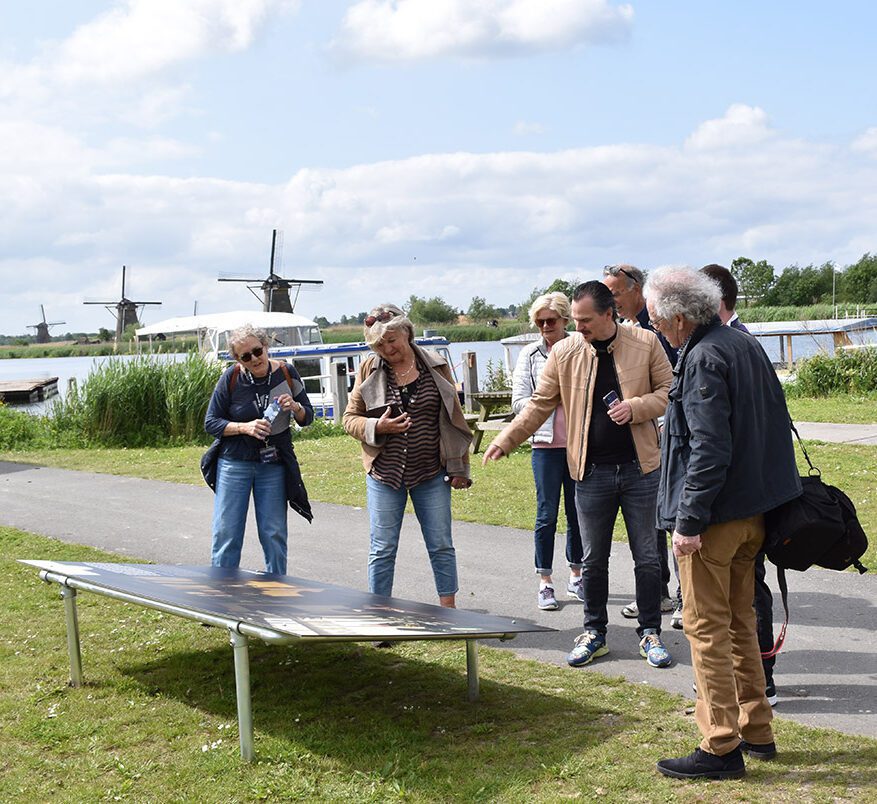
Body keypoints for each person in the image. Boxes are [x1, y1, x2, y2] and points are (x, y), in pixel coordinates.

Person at [644, 267, 801, 780]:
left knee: (706, 629)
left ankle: (719, 745)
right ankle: (756, 729)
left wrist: (689, 520)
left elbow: (708, 448)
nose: (656, 327)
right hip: (749, 513)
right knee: (737, 623)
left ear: (680, 317)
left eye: (657, 319)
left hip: (714, 518)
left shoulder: (704, 356)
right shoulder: (742, 343)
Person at [484, 281, 674, 669]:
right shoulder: (565, 352)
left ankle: (650, 633)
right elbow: (539, 405)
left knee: (648, 558)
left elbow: (670, 392)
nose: (578, 327)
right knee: (593, 560)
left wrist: (636, 407)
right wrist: (507, 439)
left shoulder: (645, 342)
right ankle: (594, 633)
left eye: (585, 320)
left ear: (609, 314)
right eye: (574, 319)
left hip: (641, 470)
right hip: (590, 473)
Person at [343, 304, 472, 612]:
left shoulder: (435, 365)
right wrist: (378, 427)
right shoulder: (369, 369)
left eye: (391, 341)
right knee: (383, 548)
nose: (387, 349)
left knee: (441, 544)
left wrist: (459, 467)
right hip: (385, 474)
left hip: (431, 472)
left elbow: (453, 420)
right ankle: (381, 613)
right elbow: (349, 419)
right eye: (379, 345)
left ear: (407, 332)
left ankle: (448, 611)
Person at [700, 263, 777, 705]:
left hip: (731, 502)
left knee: (741, 605)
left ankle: (757, 684)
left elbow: (713, 442)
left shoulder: (721, 347)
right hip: (753, 496)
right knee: (743, 607)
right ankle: (758, 693)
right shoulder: (745, 343)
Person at [204, 324, 313, 575]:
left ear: (266, 346)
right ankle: (223, 589)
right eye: (245, 356)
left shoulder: (286, 372)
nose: (254, 359)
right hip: (235, 463)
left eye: (257, 351)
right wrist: (244, 427)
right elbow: (211, 422)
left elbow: (307, 417)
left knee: (273, 533)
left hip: (272, 463)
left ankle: (276, 588)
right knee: (227, 532)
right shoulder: (231, 377)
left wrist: (295, 407)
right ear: (237, 359)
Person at [602, 264, 677, 621]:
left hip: (668, 433)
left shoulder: (656, 326)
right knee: (654, 519)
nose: (610, 300)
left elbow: (670, 382)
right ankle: (657, 593)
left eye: (615, 293)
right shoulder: (626, 328)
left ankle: (685, 597)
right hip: (644, 438)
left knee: (673, 517)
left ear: (635, 290)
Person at [512, 292, 583, 611]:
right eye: (539, 322)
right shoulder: (529, 355)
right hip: (544, 445)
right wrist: (548, 401)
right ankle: (545, 581)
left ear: (565, 319)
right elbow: (518, 402)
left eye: (550, 321)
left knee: (578, 512)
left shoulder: (582, 347)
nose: (545, 327)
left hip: (579, 444)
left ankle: (577, 575)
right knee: (546, 514)